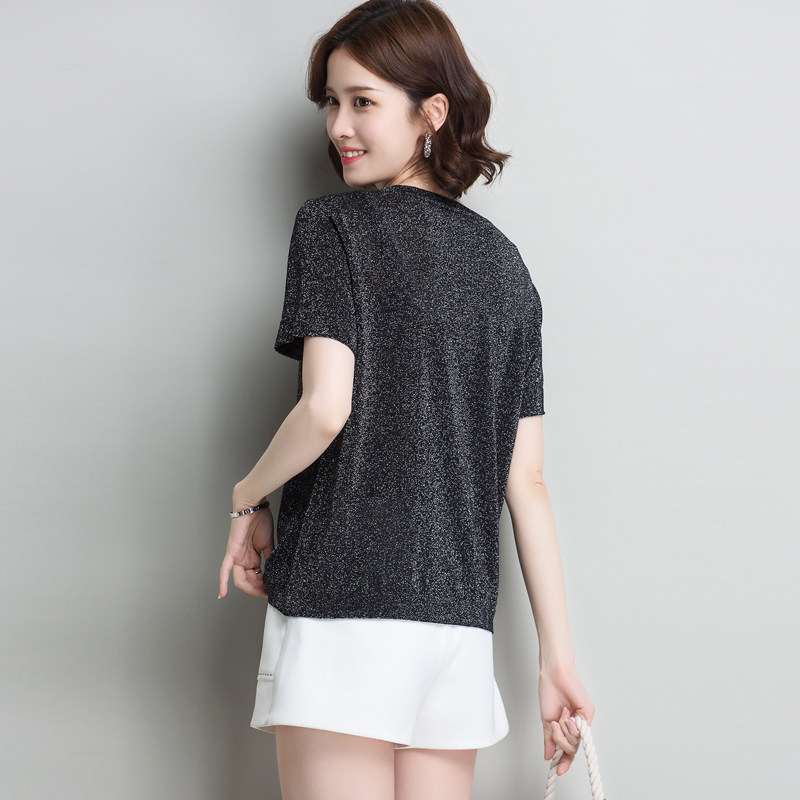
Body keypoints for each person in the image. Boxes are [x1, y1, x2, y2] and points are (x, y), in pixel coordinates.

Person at [218, 1, 596, 797]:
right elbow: (526, 482)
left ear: (432, 113)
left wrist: (247, 497)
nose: (338, 127)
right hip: (456, 630)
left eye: (363, 101)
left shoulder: (334, 227)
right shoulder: (507, 268)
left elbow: (325, 409)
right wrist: (556, 660)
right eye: (331, 102)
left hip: (343, 607)